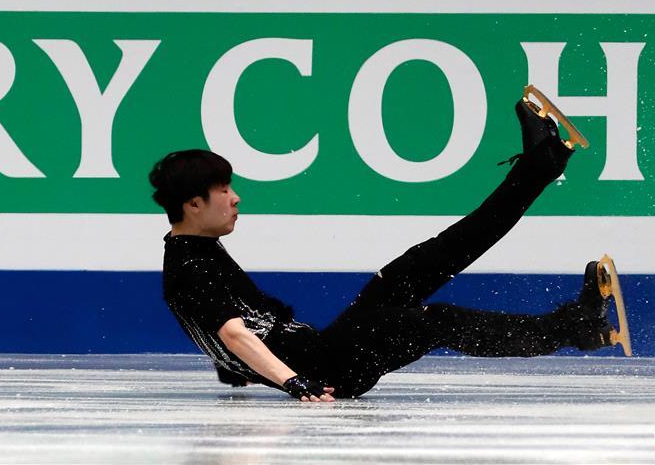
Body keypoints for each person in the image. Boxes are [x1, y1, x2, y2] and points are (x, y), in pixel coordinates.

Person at [150, 95, 617, 402]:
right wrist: (293, 383)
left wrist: (235, 371)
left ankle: (541, 164)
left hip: (328, 347)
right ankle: (576, 329)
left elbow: (217, 333)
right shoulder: (189, 264)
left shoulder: (192, 245)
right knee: (438, 322)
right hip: (333, 366)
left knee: (431, 258)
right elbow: (233, 333)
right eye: (224, 190)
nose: (236, 198)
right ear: (193, 203)